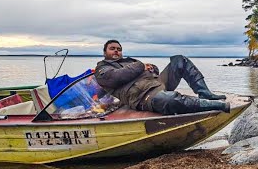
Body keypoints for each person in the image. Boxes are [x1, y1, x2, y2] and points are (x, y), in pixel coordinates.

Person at [94, 39, 230, 115]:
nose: (117, 51)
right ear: (104, 52)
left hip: (157, 83)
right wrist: (141, 66)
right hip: (143, 97)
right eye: (112, 48)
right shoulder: (102, 69)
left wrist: (152, 68)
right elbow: (118, 77)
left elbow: (150, 70)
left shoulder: (129, 61)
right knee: (169, 99)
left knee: (179, 60)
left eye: (119, 49)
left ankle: (205, 94)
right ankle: (216, 105)